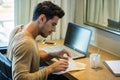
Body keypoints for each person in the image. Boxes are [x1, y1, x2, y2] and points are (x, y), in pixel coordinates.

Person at [7, 1, 71, 80]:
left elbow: (29, 58)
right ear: (42, 19)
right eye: (53, 24)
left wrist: (53, 54)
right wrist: (50, 69)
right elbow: (19, 78)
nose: (54, 30)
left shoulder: (18, 29)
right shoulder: (26, 43)